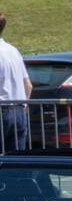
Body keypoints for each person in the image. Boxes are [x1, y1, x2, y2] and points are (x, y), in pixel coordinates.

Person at [0, 13, 32, 152]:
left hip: (2, 110)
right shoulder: (13, 50)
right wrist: (23, 106)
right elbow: (28, 85)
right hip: (18, 109)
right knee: (17, 163)